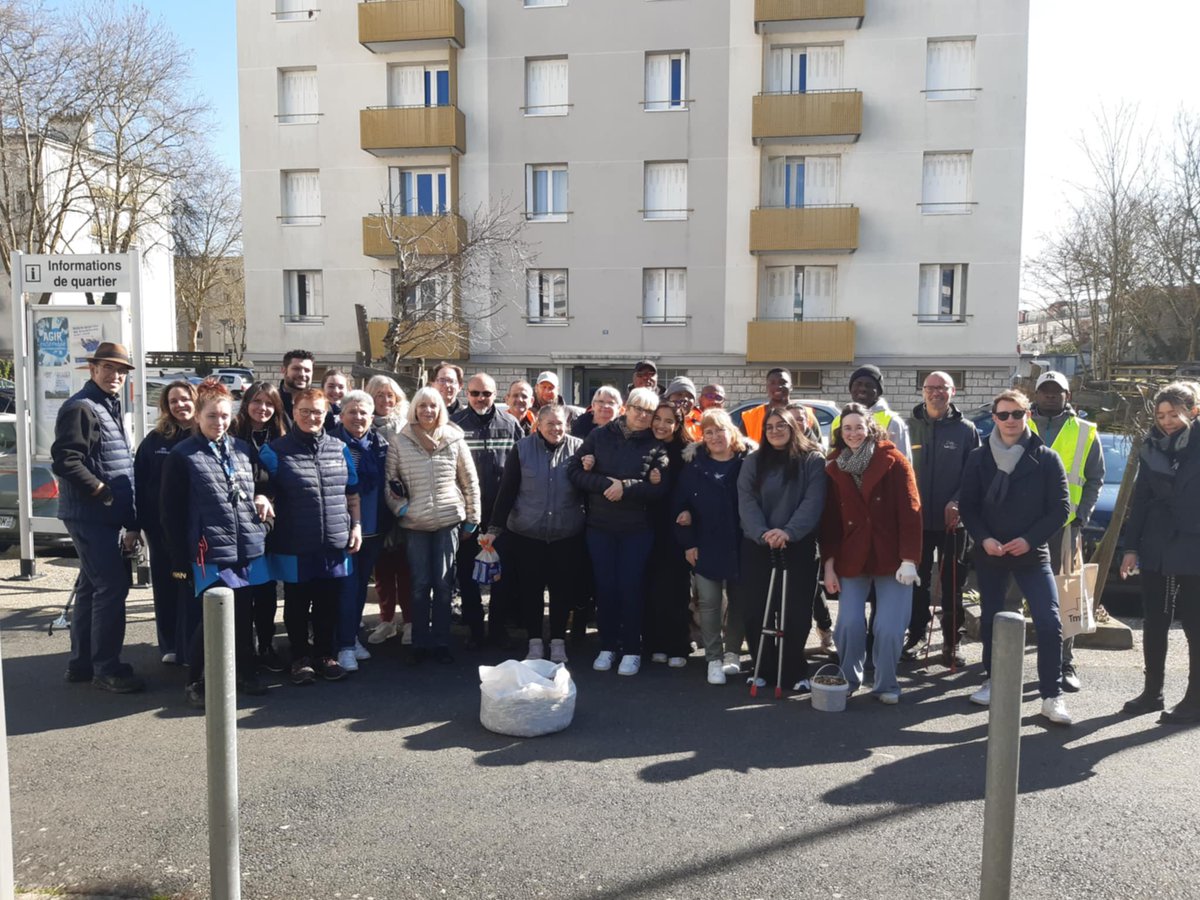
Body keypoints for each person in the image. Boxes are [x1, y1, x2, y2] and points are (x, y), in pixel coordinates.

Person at [958, 389, 1072, 725]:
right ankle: (993, 680)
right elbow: (968, 506)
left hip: (1031, 552)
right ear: (994, 418)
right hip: (991, 552)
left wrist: (1029, 539)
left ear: (1028, 416)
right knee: (992, 619)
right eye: (1003, 415)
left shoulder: (1046, 458)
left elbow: (1060, 508)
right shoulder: (979, 458)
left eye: (1017, 414)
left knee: (1049, 621)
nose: (1010, 421)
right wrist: (985, 539)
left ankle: (1052, 695)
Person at [160, 380, 273, 708]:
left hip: (244, 548)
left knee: (242, 613)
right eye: (212, 416)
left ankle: (244, 672)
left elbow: (261, 481)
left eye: (225, 416)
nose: (219, 423)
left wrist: (263, 499)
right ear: (197, 416)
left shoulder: (240, 448)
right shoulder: (183, 455)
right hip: (206, 551)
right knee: (207, 620)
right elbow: (170, 512)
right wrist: (180, 559)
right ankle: (196, 680)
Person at [51, 342, 143, 693]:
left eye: (121, 371)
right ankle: (107, 668)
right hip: (90, 515)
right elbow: (66, 460)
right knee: (111, 586)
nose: (116, 375)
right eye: (109, 368)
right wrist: (101, 490)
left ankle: (82, 663)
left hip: (101, 515)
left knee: (91, 587)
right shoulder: (82, 407)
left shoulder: (105, 405)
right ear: (93, 369)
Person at [259, 388, 363, 685]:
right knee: (296, 603)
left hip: (333, 540)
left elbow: (352, 494)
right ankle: (300, 658)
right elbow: (264, 492)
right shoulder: (275, 451)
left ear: (327, 414)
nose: (311, 417)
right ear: (294, 412)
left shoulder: (339, 448)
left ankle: (324, 655)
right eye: (305, 411)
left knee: (327, 602)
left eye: (317, 411)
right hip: (294, 542)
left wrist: (356, 526)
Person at [821, 404, 922, 703]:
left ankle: (887, 684)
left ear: (870, 428)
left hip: (893, 556)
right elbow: (828, 522)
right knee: (849, 623)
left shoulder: (894, 461)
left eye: (858, 427)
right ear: (840, 432)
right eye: (847, 428)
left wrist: (909, 559)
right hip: (852, 556)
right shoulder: (834, 466)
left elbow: (911, 511)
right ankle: (849, 679)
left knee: (889, 628)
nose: (853, 433)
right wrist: (828, 566)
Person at [568, 387, 669, 675]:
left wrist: (624, 487)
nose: (642, 415)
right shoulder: (600, 435)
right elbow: (574, 472)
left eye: (648, 412)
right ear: (626, 407)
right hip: (600, 527)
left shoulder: (655, 443)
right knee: (605, 588)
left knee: (631, 588)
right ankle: (607, 646)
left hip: (637, 530)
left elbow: (660, 487)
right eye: (638, 408)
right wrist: (604, 484)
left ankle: (632, 649)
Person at [1120, 383, 1200, 724]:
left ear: (1194, 410)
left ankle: (1195, 700)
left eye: (1175, 414)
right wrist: (1130, 547)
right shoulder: (1150, 447)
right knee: (1155, 621)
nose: (1167, 421)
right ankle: (1153, 692)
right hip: (1156, 544)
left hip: (1194, 543)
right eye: (1161, 415)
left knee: (1195, 625)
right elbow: (1140, 501)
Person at [385, 386, 481, 663]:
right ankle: (419, 642)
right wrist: (401, 508)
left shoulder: (454, 437)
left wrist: (472, 518)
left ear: (441, 409)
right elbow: (389, 482)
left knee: (443, 583)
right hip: (415, 522)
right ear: (414, 408)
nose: (428, 411)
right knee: (419, 583)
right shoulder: (399, 440)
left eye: (433, 406)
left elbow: (469, 481)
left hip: (448, 520)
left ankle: (440, 641)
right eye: (422, 405)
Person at [486, 405, 588, 663]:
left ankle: (557, 641)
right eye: (550, 424)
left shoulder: (580, 448)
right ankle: (534, 641)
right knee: (531, 590)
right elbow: (507, 491)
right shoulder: (522, 449)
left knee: (561, 590)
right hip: (527, 533)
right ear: (538, 425)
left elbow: (587, 491)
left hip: (566, 533)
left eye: (560, 424)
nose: (556, 429)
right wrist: (494, 529)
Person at [735, 408, 826, 692]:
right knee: (757, 609)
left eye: (781, 425)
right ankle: (762, 666)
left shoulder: (812, 459)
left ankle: (793, 670)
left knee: (795, 612)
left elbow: (813, 501)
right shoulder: (753, 461)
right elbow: (746, 499)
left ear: (793, 427)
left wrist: (789, 531)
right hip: (758, 544)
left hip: (797, 545)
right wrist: (762, 533)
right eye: (769, 426)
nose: (775, 430)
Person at [1029, 371, 1103, 693]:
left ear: (1067, 396)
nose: (1049, 396)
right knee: (1014, 595)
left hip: (1065, 526)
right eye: (1044, 391)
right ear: (1036, 394)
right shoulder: (1020, 423)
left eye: (1056, 391)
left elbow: (1094, 479)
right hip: (1023, 525)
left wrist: (1082, 517)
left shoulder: (1086, 432)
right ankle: (999, 663)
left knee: (1068, 596)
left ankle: (1064, 662)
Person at [903, 371, 981, 667]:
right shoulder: (908, 426)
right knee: (916, 583)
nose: (936, 393)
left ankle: (952, 641)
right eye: (930, 388)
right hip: (916, 523)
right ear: (922, 392)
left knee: (951, 584)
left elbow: (975, 474)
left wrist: (958, 501)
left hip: (953, 523)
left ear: (953, 392)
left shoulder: (966, 430)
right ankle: (917, 635)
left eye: (942, 388)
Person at [674, 409, 754, 685]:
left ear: (731, 431)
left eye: (720, 429)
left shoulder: (748, 461)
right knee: (708, 601)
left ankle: (732, 652)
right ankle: (713, 658)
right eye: (709, 432)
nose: (715, 436)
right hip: (705, 543)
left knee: (739, 601)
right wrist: (688, 543)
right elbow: (680, 506)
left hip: (742, 543)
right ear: (702, 438)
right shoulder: (694, 465)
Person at [451, 372, 523, 649]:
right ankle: (474, 628)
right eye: (475, 393)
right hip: (467, 516)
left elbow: (521, 471)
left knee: (500, 577)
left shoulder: (511, 424)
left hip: (501, 516)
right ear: (466, 394)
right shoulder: (455, 426)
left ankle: (497, 628)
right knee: (468, 576)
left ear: (496, 395)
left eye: (487, 394)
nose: (481, 399)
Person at [133, 379, 195, 665]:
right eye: (174, 401)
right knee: (167, 584)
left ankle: (191, 643)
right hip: (160, 529)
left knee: (191, 587)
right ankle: (169, 642)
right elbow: (140, 482)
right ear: (166, 407)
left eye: (185, 398)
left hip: (196, 528)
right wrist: (137, 524)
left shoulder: (205, 434)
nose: (180, 405)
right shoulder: (155, 440)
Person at [330, 390, 392, 672]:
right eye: (352, 412)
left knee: (356, 591)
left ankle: (351, 636)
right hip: (340, 529)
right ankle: (343, 645)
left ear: (372, 416)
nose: (358, 417)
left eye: (363, 412)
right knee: (346, 587)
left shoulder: (382, 446)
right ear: (341, 415)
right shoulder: (331, 443)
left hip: (373, 528)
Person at [232, 382, 289, 672]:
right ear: (246, 403)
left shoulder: (282, 435)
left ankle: (266, 644)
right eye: (257, 401)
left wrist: (270, 497)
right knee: (243, 590)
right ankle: (242, 649)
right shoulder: (231, 433)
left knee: (267, 589)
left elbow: (291, 479)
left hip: (272, 523)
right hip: (239, 522)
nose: (262, 408)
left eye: (269, 403)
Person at [643, 402, 692, 669]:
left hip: (676, 527)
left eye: (668, 420)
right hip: (647, 525)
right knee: (651, 588)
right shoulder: (645, 445)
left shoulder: (687, 453)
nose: (661, 425)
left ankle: (678, 644)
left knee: (676, 588)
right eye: (657, 419)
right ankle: (654, 643)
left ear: (678, 424)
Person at [364, 375, 413, 645]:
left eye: (389, 395)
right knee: (381, 570)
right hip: (375, 506)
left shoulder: (406, 427)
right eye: (379, 395)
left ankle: (409, 622)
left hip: (403, 503)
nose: (385, 400)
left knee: (405, 568)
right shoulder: (363, 424)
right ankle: (385, 621)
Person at [831, 366, 911, 461]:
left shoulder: (893, 421)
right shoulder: (838, 420)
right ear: (851, 388)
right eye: (858, 384)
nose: (862, 389)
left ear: (878, 391)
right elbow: (831, 458)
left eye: (869, 385)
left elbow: (904, 462)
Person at [736, 368, 818, 444]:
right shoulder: (750, 417)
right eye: (772, 383)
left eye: (782, 382)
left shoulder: (806, 415)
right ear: (766, 388)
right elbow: (740, 448)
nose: (778, 387)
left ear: (791, 387)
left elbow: (817, 447)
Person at [278, 349, 314, 425]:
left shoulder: (319, 404)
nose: (302, 374)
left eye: (307, 370)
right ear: (284, 370)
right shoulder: (271, 401)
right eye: (296, 369)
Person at [665, 377, 703, 442]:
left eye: (690, 396)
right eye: (679, 394)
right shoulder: (655, 418)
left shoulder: (702, 423)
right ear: (668, 398)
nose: (685, 399)